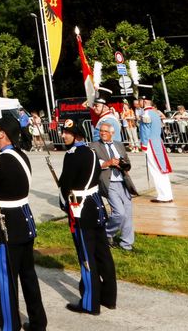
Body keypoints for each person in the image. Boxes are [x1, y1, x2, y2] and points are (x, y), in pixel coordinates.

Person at [0, 115, 47, 331]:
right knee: (28, 275)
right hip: (25, 219)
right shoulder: (20, 155)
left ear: (2, 133)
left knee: (6, 277)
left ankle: (9, 325)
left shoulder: (1, 163)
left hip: (7, 225)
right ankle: (38, 321)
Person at [57, 119, 116, 314]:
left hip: (80, 209)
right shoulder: (91, 152)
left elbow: (65, 184)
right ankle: (109, 297)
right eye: (64, 131)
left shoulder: (71, 155)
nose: (63, 135)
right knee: (103, 254)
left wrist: (64, 204)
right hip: (96, 205)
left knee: (86, 256)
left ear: (77, 136)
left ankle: (90, 303)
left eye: (67, 132)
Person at [89, 121, 137, 252]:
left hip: (123, 181)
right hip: (108, 182)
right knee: (119, 213)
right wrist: (108, 163)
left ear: (112, 133)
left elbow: (127, 162)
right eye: (101, 131)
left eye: (105, 131)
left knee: (127, 214)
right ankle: (106, 233)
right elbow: (92, 164)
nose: (102, 133)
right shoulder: (94, 146)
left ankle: (127, 244)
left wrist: (123, 164)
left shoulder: (119, 145)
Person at [136, 84, 173, 203]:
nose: (138, 102)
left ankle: (163, 195)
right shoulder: (154, 112)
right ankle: (166, 194)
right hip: (157, 142)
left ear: (144, 101)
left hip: (151, 143)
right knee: (161, 169)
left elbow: (145, 132)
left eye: (139, 100)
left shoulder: (146, 114)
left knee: (156, 170)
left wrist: (143, 145)